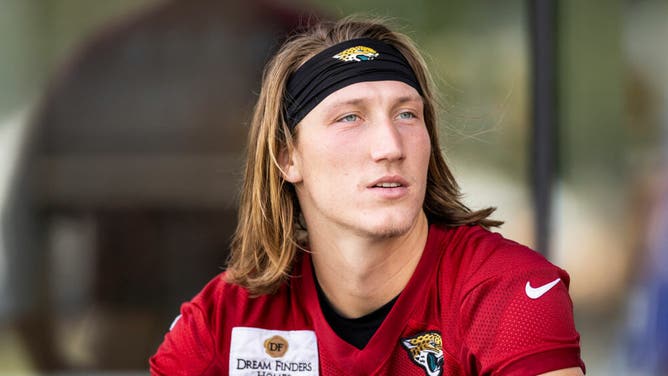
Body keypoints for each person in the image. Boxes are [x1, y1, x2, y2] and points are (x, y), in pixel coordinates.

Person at [150, 17, 585, 376]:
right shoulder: (228, 317)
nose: (391, 146)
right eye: (350, 117)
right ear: (287, 158)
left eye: (407, 114)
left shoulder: (505, 290)